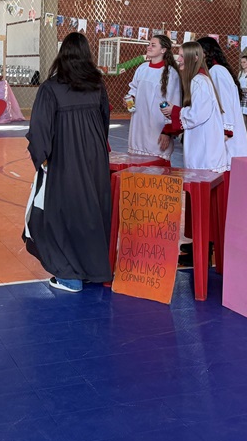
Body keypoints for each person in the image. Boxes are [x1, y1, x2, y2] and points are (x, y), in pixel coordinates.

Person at [25, 32, 112, 293]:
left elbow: (40, 129)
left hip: (65, 158)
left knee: (61, 214)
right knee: (93, 213)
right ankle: (92, 271)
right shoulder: (97, 86)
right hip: (95, 157)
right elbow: (104, 122)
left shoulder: (50, 88)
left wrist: (42, 158)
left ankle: (69, 275)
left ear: (62, 54)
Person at [161, 42, 229, 173]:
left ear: (195, 58)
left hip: (204, 148)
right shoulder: (199, 79)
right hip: (204, 144)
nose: (178, 59)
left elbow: (197, 114)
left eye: (182, 56)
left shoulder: (199, 81)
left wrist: (175, 111)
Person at [125, 34, 181, 161]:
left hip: (157, 127)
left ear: (163, 50)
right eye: (149, 44)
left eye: (153, 45)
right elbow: (133, 89)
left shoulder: (171, 73)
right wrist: (129, 98)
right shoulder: (142, 68)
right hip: (139, 125)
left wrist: (167, 131)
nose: (149, 47)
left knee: (155, 165)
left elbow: (173, 102)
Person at [197, 37, 247, 160]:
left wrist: (226, 131)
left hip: (225, 136)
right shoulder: (212, 71)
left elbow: (225, 102)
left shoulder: (217, 71)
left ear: (205, 53)